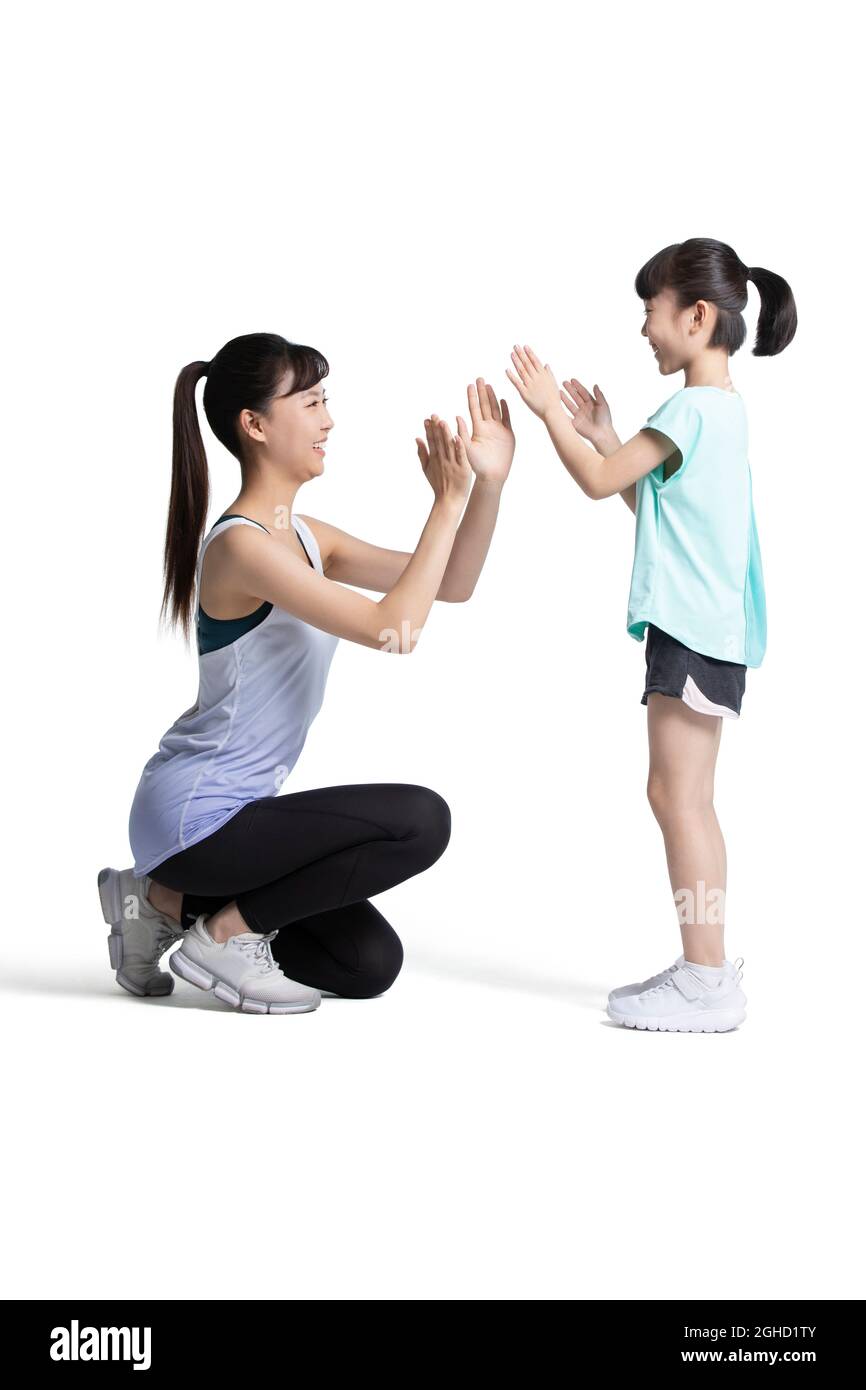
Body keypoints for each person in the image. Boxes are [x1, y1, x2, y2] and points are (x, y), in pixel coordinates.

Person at [98, 332, 515, 1014]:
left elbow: (453, 582)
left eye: (327, 401)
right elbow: (395, 629)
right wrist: (443, 502)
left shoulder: (308, 538)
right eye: (312, 402)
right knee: (420, 820)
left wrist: (485, 487)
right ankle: (222, 936)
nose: (328, 421)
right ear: (255, 425)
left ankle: (158, 903)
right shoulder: (241, 548)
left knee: (364, 963)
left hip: (237, 824)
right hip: (194, 819)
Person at [506, 237, 797, 1032]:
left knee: (679, 798)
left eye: (652, 311)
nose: (644, 329)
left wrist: (546, 416)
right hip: (708, 631)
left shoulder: (690, 410)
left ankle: (706, 977)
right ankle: (704, 967)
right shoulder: (723, 411)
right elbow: (662, 520)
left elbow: (602, 485)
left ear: (697, 316)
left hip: (693, 634)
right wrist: (603, 434)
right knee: (684, 796)